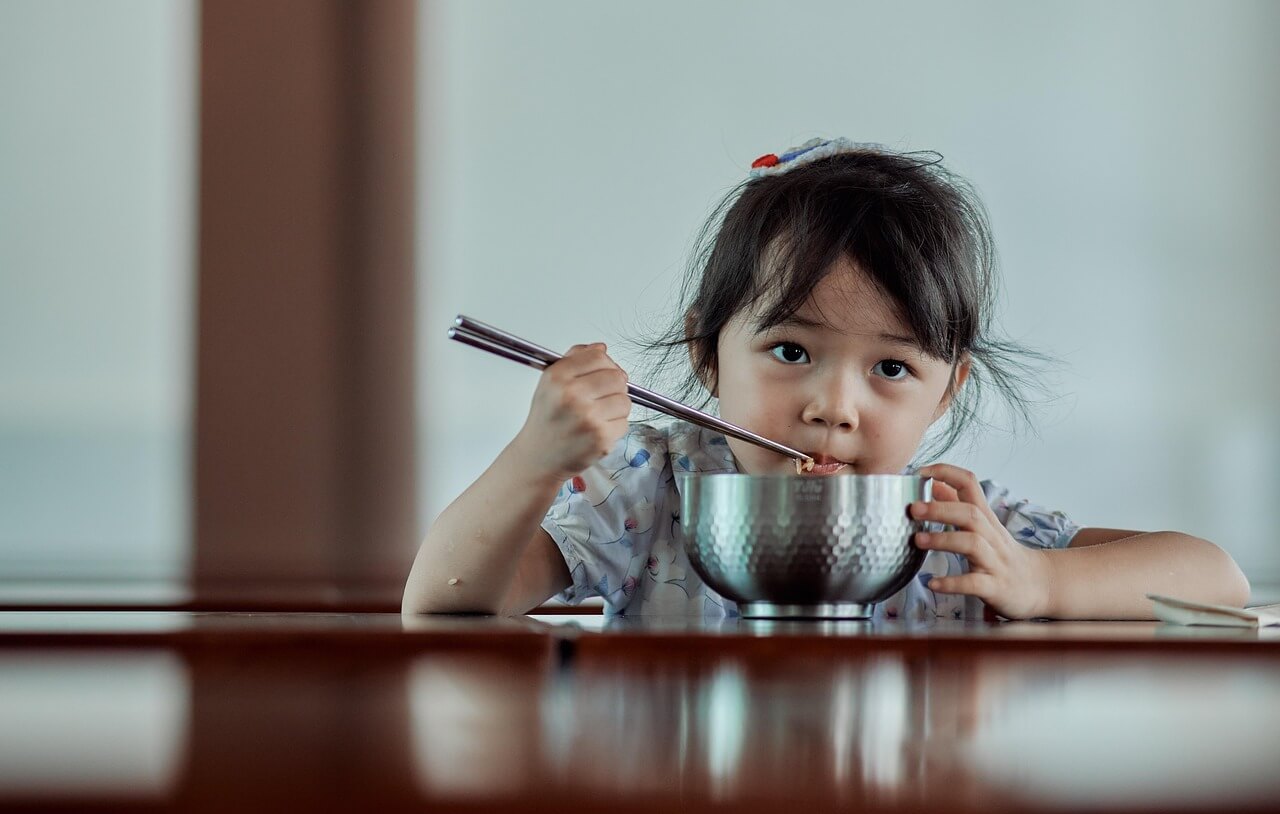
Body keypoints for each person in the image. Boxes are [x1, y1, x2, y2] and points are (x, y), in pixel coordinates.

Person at [402, 138, 1249, 620]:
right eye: (792, 352)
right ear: (707, 353)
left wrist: (1039, 579)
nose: (833, 408)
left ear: (944, 393)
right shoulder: (651, 492)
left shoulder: (949, 527)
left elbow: (1218, 577)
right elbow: (444, 605)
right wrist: (534, 457)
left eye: (891, 368)